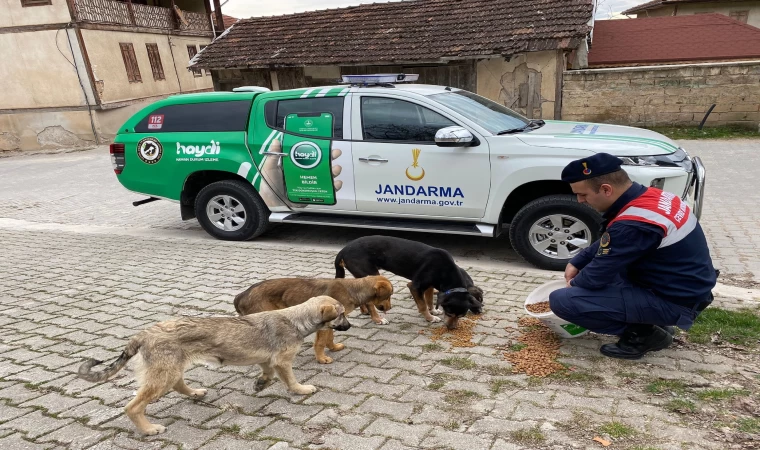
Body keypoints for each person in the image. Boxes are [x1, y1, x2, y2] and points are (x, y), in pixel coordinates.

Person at [549, 152, 717, 360]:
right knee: (600, 280)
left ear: (606, 189)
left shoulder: (634, 224)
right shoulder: (654, 197)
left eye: (583, 195)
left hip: (676, 299)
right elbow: (614, 241)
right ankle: (652, 320)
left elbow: (596, 275)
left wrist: (574, 286)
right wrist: (578, 260)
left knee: (564, 301)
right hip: (683, 286)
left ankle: (644, 334)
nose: (580, 200)